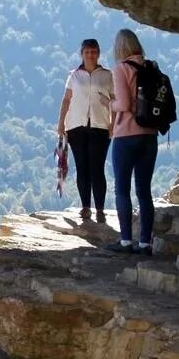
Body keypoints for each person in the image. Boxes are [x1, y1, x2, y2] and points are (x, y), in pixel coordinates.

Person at [107, 29, 158, 255]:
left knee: (122, 190)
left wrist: (109, 103)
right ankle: (146, 243)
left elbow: (125, 104)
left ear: (120, 48)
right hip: (150, 134)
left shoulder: (121, 69)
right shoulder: (151, 67)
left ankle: (126, 240)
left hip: (126, 134)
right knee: (144, 191)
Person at [55, 37, 112, 222]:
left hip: (100, 126)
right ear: (82, 54)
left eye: (94, 51)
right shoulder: (74, 75)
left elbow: (115, 100)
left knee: (97, 169)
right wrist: (60, 123)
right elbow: (66, 99)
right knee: (82, 168)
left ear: (98, 53)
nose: (90, 55)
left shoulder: (106, 75)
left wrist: (113, 124)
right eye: (87, 52)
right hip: (76, 127)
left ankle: (101, 209)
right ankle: (86, 207)